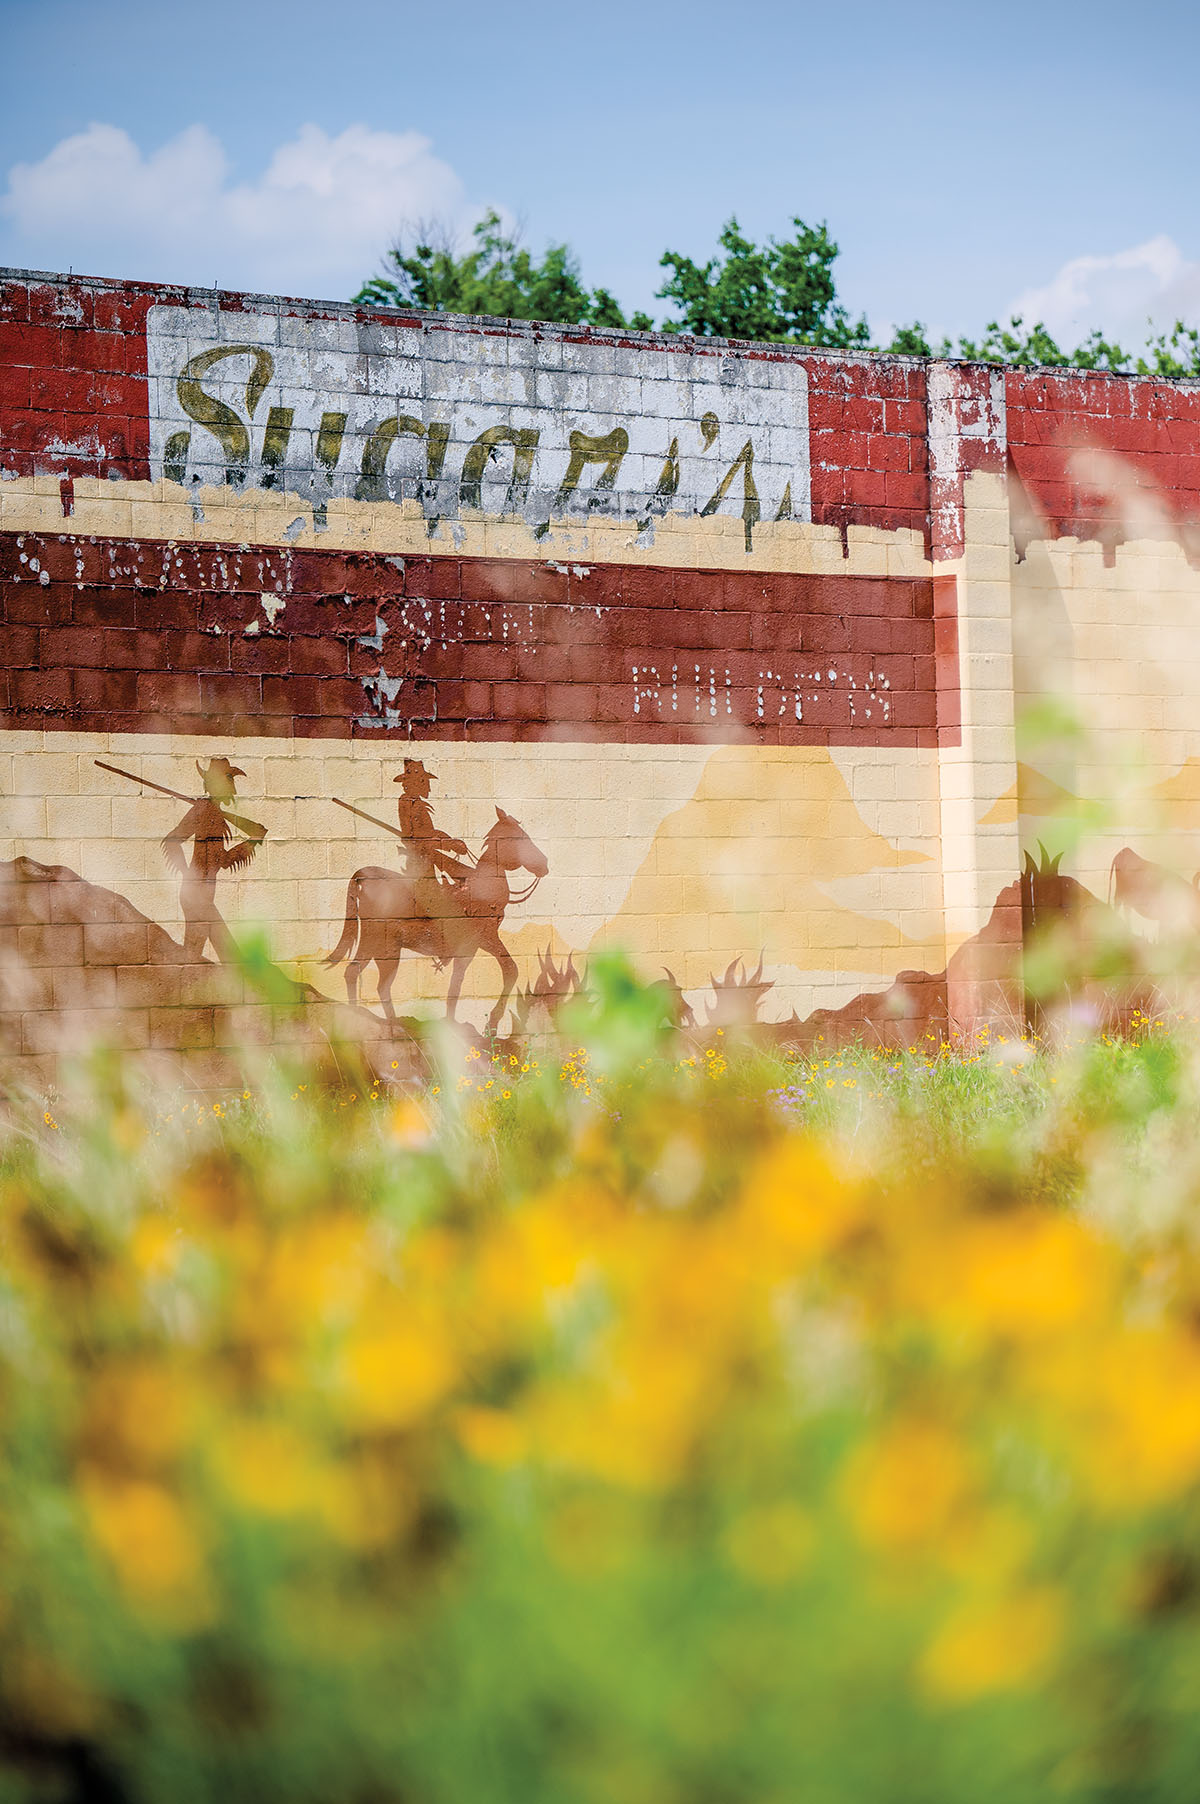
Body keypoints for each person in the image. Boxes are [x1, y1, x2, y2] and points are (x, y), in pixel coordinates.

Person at [161, 757, 265, 961]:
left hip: (203, 895)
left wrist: (252, 841)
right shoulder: (202, 810)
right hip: (196, 895)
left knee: (195, 956)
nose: (232, 789)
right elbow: (172, 841)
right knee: (226, 955)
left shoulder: (212, 812)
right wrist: (188, 874)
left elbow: (222, 860)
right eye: (228, 781)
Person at [393, 759, 471, 929]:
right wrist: (449, 843)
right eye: (425, 782)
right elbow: (416, 834)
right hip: (420, 857)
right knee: (437, 897)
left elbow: (426, 833)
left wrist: (448, 842)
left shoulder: (416, 802)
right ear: (415, 783)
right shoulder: (407, 802)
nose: (428, 787)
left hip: (429, 854)